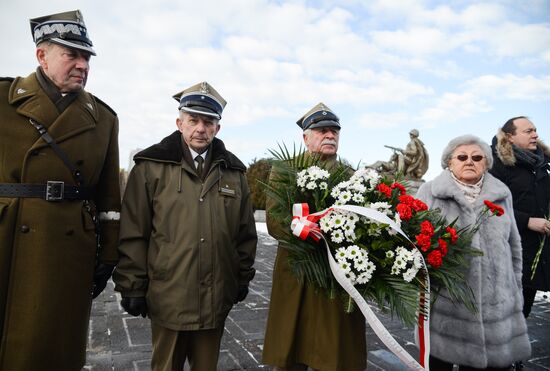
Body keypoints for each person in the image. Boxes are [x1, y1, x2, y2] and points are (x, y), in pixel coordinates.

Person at [0, 10, 121, 370]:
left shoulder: (103, 118)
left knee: (54, 348)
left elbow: (109, 198)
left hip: (68, 250)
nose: (82, 64)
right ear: (42, 55)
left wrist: (108, 256)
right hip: (8, 238)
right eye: (72, 54)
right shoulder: (4, 100)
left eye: (86, 57)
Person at [113, 82, 257, 371]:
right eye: (193, 120)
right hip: (170, 296)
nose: (200, 128)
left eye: (208, 122)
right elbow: (134, 232)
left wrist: (241, 277)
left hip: (216, 297)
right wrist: (132, 285)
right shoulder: (150, 167)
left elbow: (245, 234)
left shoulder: (234, 173)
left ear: (218, 128)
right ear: (179, 123)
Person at [262, 103, 366, 371]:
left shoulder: (352, 176)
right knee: (292, 350)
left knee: (334, 353)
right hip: (298, 272)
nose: (330, 135)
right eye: (321, 131)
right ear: (306, 138)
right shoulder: (286, 170)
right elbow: (276, 220)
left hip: (337, 277)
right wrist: (318, 234)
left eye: (334, 131)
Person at [416, 135, 531, 370]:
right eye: (462, 157)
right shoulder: (430, 192)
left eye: (477, 157)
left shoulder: (502, 193)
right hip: (446, 307)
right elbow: (414, 242)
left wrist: (515, 288)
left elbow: (514, 245)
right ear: (449, 162)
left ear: (486, 163)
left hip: (496, 306)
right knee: (438, 364)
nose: (470, 161)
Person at [489, 116, 550, 319]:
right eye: (528, 131)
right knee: (499, 316)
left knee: (521, 314)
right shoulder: (495, 163)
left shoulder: (542, 163)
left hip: (533, 255)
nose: (536, 135)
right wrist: (527, 221)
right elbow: (486, 204)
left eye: (535, 130)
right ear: (510, 137)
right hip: (504, 252)